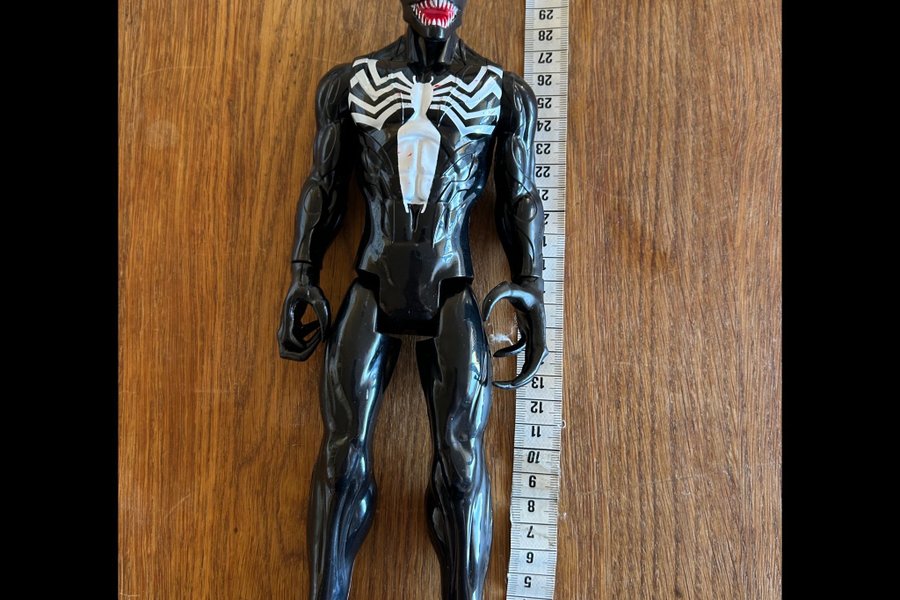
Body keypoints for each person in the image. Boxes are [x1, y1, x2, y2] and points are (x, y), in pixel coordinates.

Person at [277, 1, 547, 598]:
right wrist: (302, 270)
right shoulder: (350, 84)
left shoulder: (504, 93)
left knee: (462, 464)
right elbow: (324, 184)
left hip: (452, 286)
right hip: (373, 280)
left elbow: (520, 196)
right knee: (340, 461)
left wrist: (532, 282)